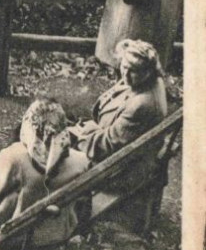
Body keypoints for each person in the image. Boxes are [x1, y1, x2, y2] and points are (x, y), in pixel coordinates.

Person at [0, 98, 88, 246]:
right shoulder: (81, 160)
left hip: (21, 236)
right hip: (58, 230)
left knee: (0, 193)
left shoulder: (14, 157)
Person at [69, 39, 167, 168]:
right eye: (124, 66)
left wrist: (80, 136)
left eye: (134, 71)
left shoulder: (141, 105)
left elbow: (107, 147)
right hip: (110, 137)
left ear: (147, 72)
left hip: (118, 167)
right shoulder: (148, 79)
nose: (125, 74)